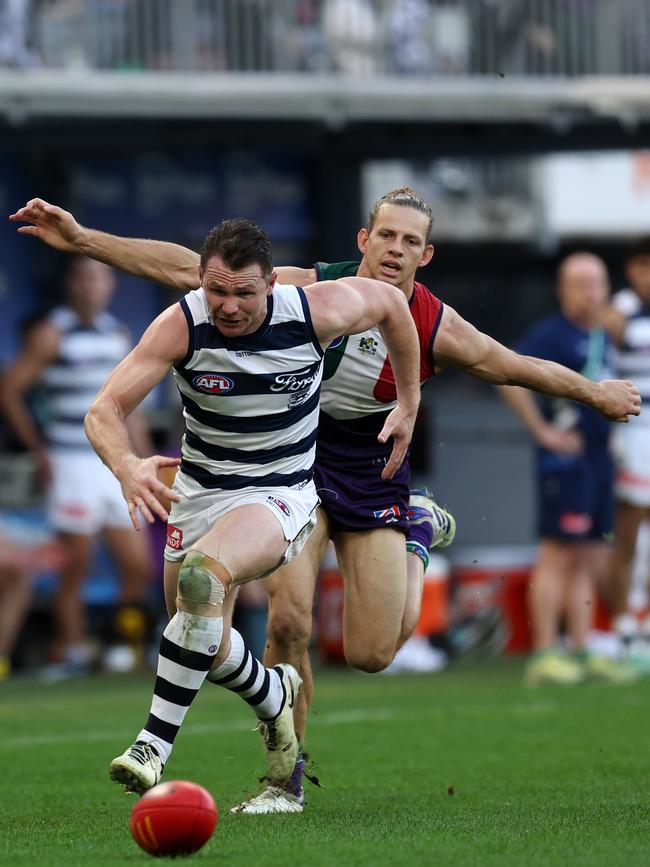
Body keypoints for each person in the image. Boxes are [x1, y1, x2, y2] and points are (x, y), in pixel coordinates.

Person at [8, 194, 642, 813]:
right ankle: (285, 780)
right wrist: (85, 238)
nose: (396, 249)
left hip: (374, 467)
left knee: (371, 653)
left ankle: (416, 532)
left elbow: (510, 366)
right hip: (295, 464)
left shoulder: (431, 321)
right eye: (386, 236)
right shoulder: (304, 290)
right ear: (363, 241)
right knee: (287, 622)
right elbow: (188, 270)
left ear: (426, 254)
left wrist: (593, 393)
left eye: (410, 241)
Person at [80, 217, 423, 796]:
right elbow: (104, 409)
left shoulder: (315, 311)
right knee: (201, 640)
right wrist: (127, 464)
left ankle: (152, 746)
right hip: (200, 494)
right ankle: (273, 692)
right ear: (200, 282)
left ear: (271, 284)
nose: (230, 306)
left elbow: (392, 304)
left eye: (244, 292)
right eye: (217, 290)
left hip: (280, 493)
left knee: (201, 578)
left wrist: (409, 399)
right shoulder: (182, 324)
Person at [0, 257, 154, 678]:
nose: (91, 287)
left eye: (99, 278)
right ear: (72, 285)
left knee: (137, 562)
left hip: (111, 459)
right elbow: (10, 389)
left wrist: (141, 460)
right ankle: (72, 647)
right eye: (84, 278)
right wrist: (39, 450)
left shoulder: (118, 335)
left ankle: (123, 645)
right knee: (77, 563)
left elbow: (130, 408)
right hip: (69, 459)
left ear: (109, 286)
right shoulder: (54, 332)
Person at [500, 252, 635, 686]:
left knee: (589, 554)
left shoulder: (600, 334)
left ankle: (581, 646)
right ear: (562, 290)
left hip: (598, 460)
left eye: (596, 282)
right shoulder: (551, 335)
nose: (591, 292)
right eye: (580, 283)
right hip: (566, 461)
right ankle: (543, 651)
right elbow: (508, 375)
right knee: (558, 554)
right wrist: (542, 431)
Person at [604, 237, 650, 666]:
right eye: (642, 267)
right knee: (629, 533)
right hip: (636, 431)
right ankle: (622, 625)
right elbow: (600, 356)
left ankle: (644, 622)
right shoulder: (619, 312)